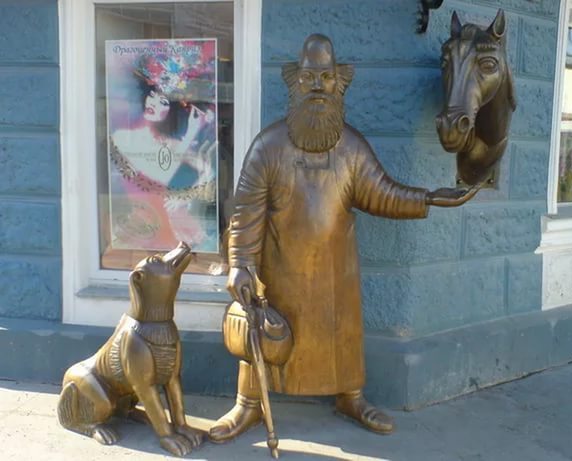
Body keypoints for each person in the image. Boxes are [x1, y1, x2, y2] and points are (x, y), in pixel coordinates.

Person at [209, 34, 478, 441]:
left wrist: (429, 198)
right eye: (308, 76)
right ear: (294, 82)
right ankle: (248, 404)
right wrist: (241, 265)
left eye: (325, 76)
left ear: (340, 82)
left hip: (337, 274)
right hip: (278, 274)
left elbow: (381, 193)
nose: (317, 84)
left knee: (345, 334)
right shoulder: (268, 147)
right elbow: (245, 215)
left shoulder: (351, 148)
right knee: (260, 333)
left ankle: (350, 396)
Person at [109, 76, 217, 251]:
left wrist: (184, 197)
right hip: (142, 223)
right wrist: (189, 135)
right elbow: (158, 174)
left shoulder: (171, 143)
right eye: (152, 95)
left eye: (164, 102)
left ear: (171, 110)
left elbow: (208, 171)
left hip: (172, 224)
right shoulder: (123, 137)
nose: (154, 103)